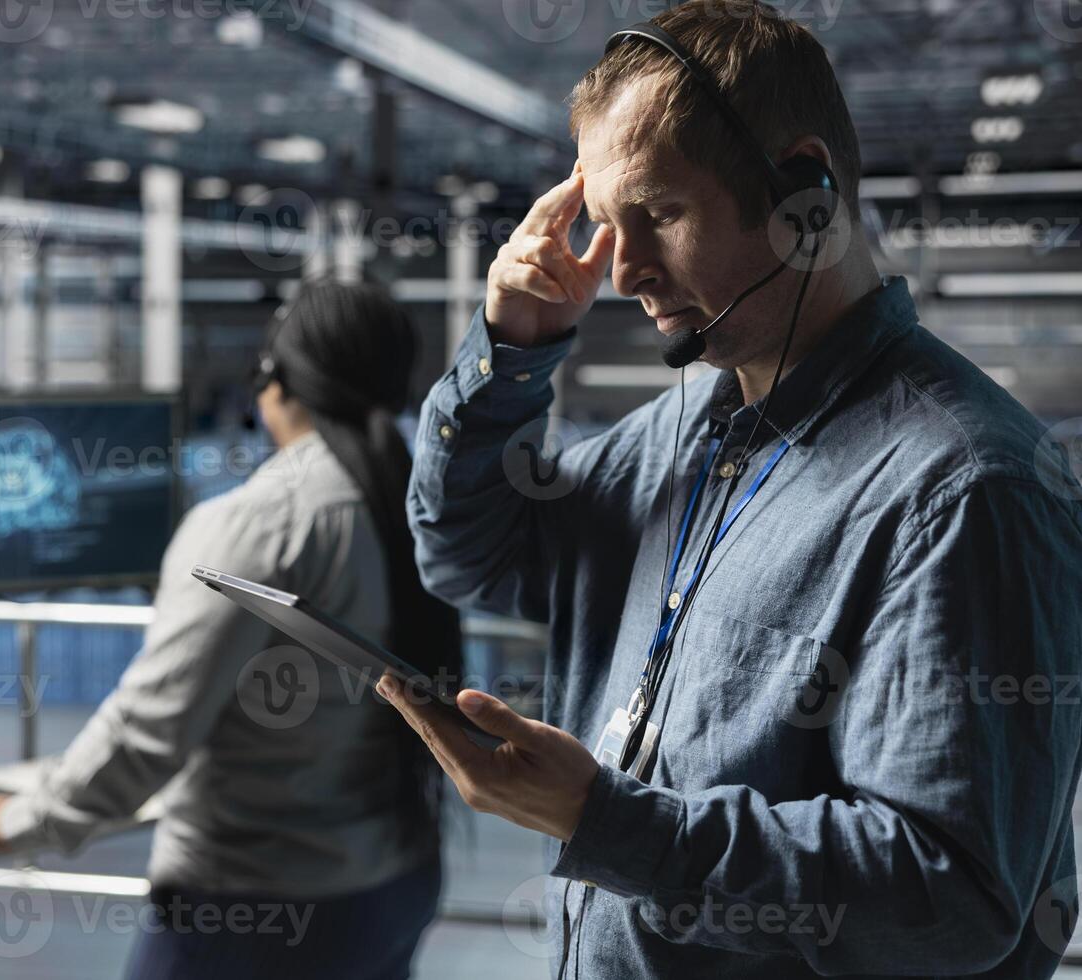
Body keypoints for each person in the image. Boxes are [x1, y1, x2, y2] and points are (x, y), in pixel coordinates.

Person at [376, 2, 1082, 977]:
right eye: (609, 227)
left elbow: (947, 897)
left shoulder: (965, 488)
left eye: (658, 215)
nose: (625, 271)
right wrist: (510, 358)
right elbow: (470, 553)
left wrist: (607, 821)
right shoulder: (681, 433)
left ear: (804, 196)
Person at [0, 280, 462, 979]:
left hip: (256, 910)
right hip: (394, 885)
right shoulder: (415, 506)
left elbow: (153, 725)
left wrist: (24, 818)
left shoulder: (260, 521)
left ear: (275, 383)